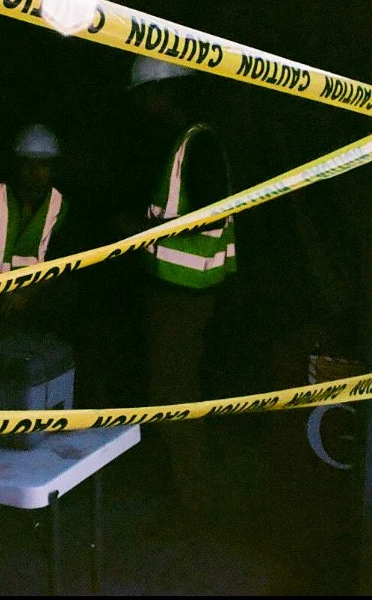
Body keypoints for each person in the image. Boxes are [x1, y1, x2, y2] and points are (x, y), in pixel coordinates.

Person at [124, 56, 236, 507]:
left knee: (175, 396)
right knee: (170, 391)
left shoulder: (198, 143)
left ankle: (191, 502)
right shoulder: (181, 142)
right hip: (173, 291)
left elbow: (210, 216)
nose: (142, 108)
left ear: (163, 92)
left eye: (145, 97)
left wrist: (145, 230)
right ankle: (184, 493)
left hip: (186, 295)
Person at [0, 124, 78, 330]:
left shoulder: (61, 208)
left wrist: (25, 295)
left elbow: (63, 264)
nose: (34, 172)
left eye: (42, 165)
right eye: (28, 163)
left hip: (36, 301)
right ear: (17, 164)